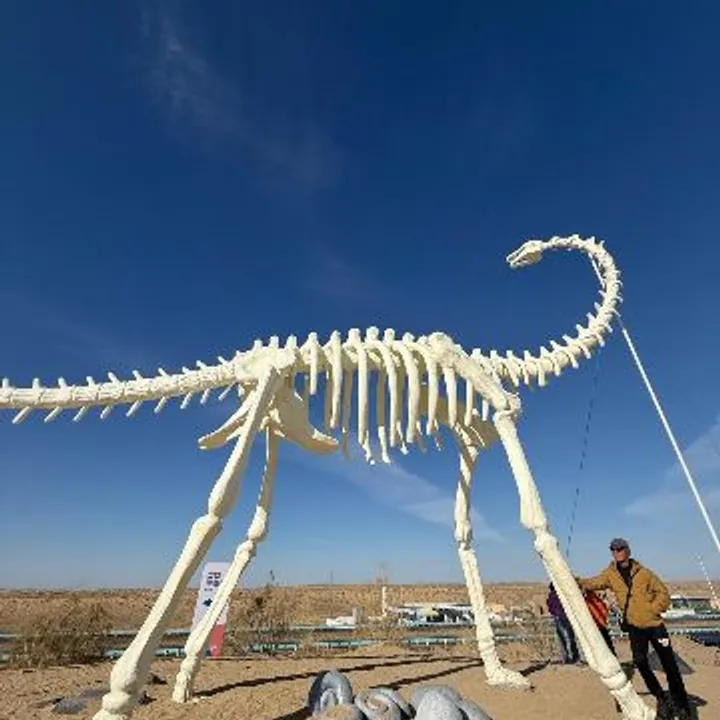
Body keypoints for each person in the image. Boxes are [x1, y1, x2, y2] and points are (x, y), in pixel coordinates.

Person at [577, 537, 692, 719]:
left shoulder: (644, 573)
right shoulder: (610, 574)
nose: (617, 552)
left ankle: (681, 704)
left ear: (628, 550)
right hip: (635, 628)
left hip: (654, 626)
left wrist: (652, 610)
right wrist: (573, 580)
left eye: (620, 548)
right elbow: (593, 583)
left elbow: (663, 593)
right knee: (640, 662)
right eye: (613, 549)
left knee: (670, 665)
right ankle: (661, 697)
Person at [546, 582, 579, 664]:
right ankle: (575, 657)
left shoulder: (551, 596)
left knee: (562, 638)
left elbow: (550, 608)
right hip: (566, 617)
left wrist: (555, 613)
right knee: (570, 637)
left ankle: (565, 658)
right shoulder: (562, 595)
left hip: (558, 617)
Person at [583, 587, 616, 655]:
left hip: (597, 625)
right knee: (607, 642)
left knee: (602, 642)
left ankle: (609, 654)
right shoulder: (595, 600)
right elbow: (604, 610)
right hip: (601, 624)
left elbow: (601, 611)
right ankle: (612, 654)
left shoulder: (589, 601)